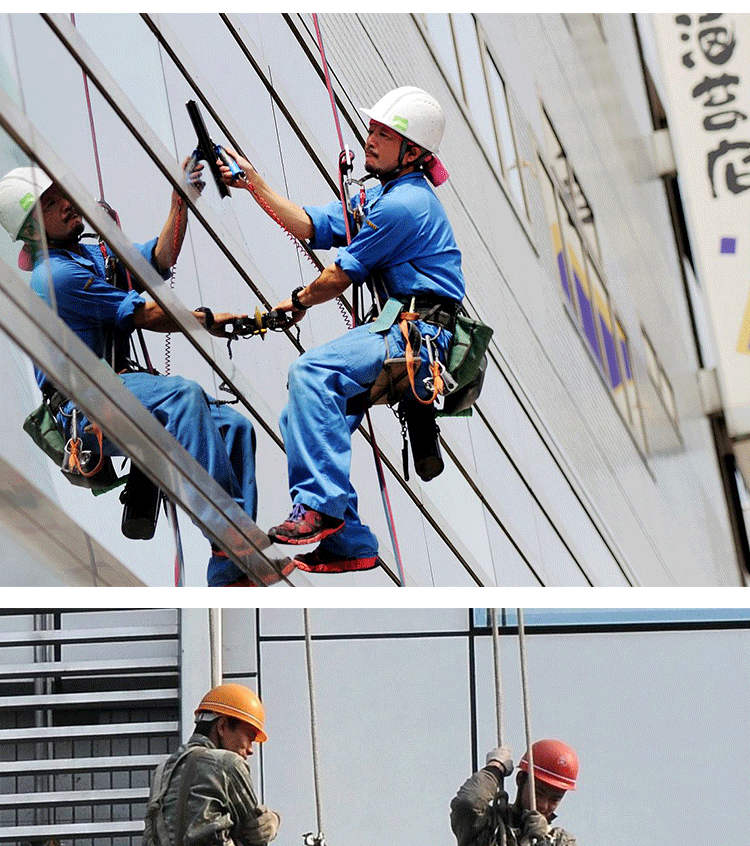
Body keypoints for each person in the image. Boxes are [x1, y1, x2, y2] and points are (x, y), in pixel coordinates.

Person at [219, 86, 465, 573]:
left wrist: (296, 303)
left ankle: (321, 509)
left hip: (418, 331)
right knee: (300, 416)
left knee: (311, 374)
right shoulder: (382, 195)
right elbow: (313, 226)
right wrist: (256, 185)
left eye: (383, 134)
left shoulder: (406, 206)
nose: (370, 140)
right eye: (371, 130)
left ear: (411, 152)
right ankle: (349, 540)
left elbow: (340, 275)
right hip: (400, 324)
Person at [0, 164, 258, 587]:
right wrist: (204, 321)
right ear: (32, 229)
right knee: (183, 396)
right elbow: (143, 313)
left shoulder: (87, 254)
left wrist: (181, 202)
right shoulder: (57, 277)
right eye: (50, 203)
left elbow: (157, 259)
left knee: (235, 426)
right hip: (86, 408)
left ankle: (233, 569)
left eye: (63, 193)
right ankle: (229, 531)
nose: (67, 204)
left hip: (117, 390)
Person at [143, 683, 281, 846]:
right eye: (249, 738)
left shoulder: (162, 771)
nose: (251, 750)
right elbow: (254, 837)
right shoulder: (228, 764)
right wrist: (274, 821)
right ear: (222, 726)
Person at [450, 740, 579, 846]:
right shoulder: (486, 825)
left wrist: (543, 841)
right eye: (538, 793)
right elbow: (468, 803)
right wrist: (494, 769)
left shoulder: (561, 841)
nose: (544, 805)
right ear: (520, 779)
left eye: (554, 800)